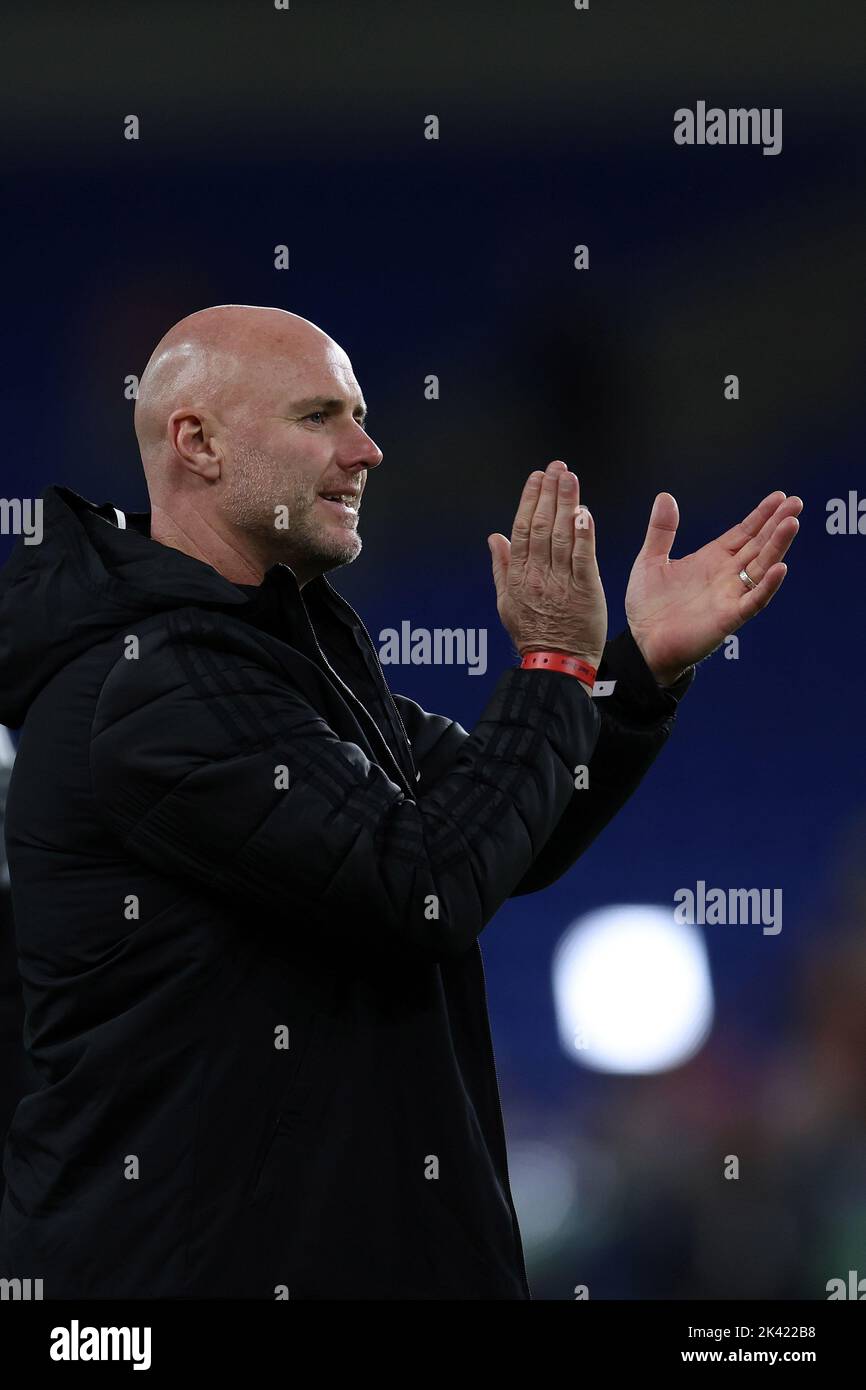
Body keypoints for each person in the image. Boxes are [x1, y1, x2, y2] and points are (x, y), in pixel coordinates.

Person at [0, 305, 801, 1299]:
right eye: (320, 417)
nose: (367, 449)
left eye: (363, 414)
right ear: (196, 442)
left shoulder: (281, 659)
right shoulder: (155, 685)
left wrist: (626, 678)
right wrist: (552, 659)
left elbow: (501, 828)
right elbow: (426, 882)